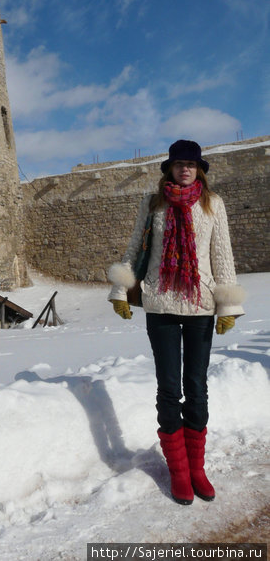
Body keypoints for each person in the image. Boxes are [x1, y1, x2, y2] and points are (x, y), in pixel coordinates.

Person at [107, 140, 245, 505]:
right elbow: (134, 248)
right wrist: (121, 291)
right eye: (179, 163)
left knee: (197, 388)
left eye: (191, 164)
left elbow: (223, 255)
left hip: (199, 305)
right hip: (161, 305)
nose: (185, 169)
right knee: (169, 389)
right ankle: (179, 470)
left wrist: (227, 305)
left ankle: (197, 468)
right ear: (169, 168)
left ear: (200, 169)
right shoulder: (153, 204)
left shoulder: (213, 205)